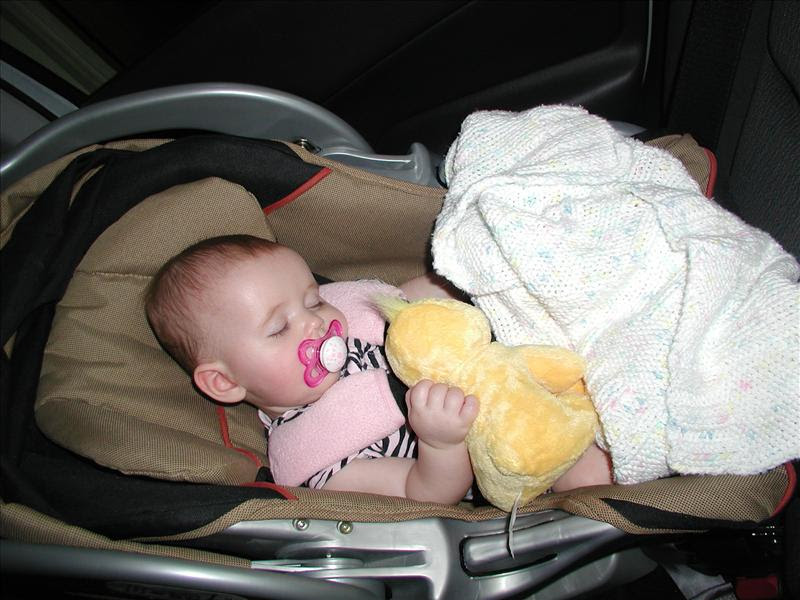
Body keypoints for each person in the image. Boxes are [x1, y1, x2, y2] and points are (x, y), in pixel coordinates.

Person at [145, 234, 611, 504]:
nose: (314, 322)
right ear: (225, 381)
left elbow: (414, 297)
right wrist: (440, 443)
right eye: (279, 327)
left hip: (524, 364)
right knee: (590, 476)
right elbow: (422, 493)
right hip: (511, 449)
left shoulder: (349, 316)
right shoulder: (317, 457)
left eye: (313, 299)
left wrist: (472, 276)